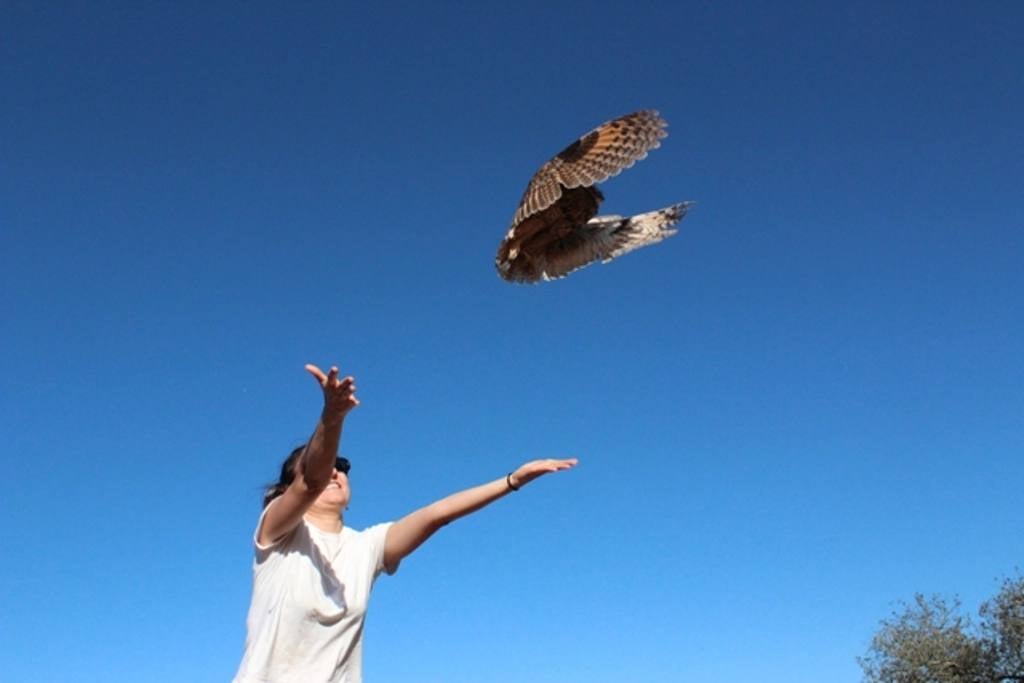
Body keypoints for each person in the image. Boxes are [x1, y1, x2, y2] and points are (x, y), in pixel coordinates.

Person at [233, 363, 578, 683]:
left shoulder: (367, 546)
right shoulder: (277, 533)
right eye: (326, 464)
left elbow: (438, 514)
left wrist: (511, 480)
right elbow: (310, 481)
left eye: (342, 467)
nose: (335, 472)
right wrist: (332, 418)